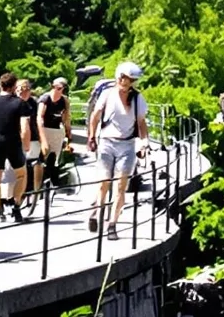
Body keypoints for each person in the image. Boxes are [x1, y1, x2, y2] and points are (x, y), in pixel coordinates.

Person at [86, 61, 149, 235]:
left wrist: (144, 143)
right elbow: (95, 116)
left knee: (121, 185)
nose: (125, 82)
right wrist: (91, 136)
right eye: (123, 78)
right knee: (104, 183)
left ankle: (112, 224)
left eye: (129, 80)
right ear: (118, 77)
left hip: (127, 145)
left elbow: (141, 123)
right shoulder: (107, 94)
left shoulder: (137, 98)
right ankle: (96, 211)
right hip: (106, 142)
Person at [0, 71, 34, 223]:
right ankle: (16, 204)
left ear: (0, 85)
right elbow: (24, 126)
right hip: (13, 141)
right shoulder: (20, 103)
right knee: (21, 174)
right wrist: (26, 145)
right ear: (13, 86)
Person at [38, 77, 71, 187]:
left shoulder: (64, 100)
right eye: (54, 87)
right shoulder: (45, 98)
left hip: (57, 130)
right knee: (43, 156)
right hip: (45, 129)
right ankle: (41, 182)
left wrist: (68, 134)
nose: (56, 90)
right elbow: (39, 116)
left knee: (54, 158)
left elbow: (66, 118)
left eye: (59, 88)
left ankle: (53, 181)